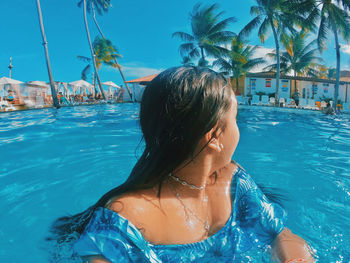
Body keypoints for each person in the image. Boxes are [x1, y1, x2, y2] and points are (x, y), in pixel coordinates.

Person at [48, 67, 314, 263]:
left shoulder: (233, 182)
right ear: (214, 137)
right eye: (236, 118)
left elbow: (281, 233)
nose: (238, 129)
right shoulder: (123, 220)